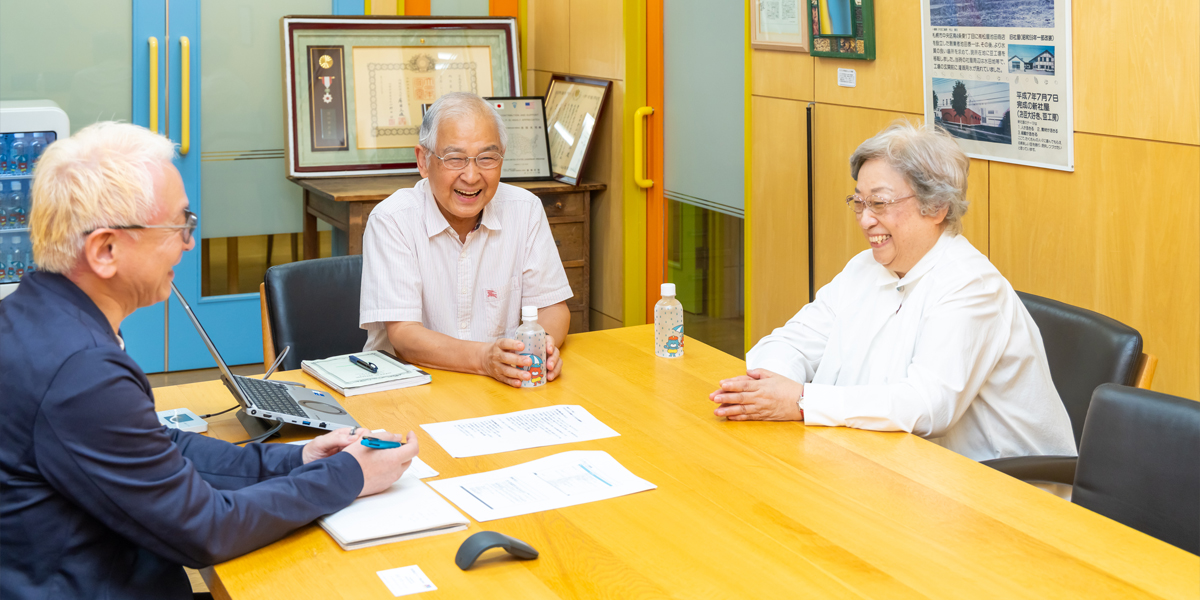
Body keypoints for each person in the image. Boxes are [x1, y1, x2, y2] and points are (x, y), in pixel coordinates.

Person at [0, 122, 420, 600]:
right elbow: (206, 529)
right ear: (106, 250)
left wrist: (297, 457)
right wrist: (350, 475)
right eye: (179, 225)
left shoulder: (37, 314)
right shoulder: (79, 371)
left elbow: (157, 446)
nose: (189, 243)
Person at [709, 121, 1075, 462]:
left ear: (936, 207)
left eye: (880, 203)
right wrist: (769, 389)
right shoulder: (864, 269)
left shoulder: (970, 286)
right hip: (887, 462)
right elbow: (789, 342)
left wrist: (801, 400)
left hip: (1000, 492)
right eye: (859, 202)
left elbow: (926, 407)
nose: (866, 219)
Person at [359, 92, 573, 387]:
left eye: (487, 158)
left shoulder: (525, 210)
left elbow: (552, 307)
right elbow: (404, 335)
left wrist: (539, 348)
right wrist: (485, 358)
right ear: (423, 161)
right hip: (410, 388)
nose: (471, 176)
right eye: (455, 159)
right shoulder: (392, 220)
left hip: (499, 388)